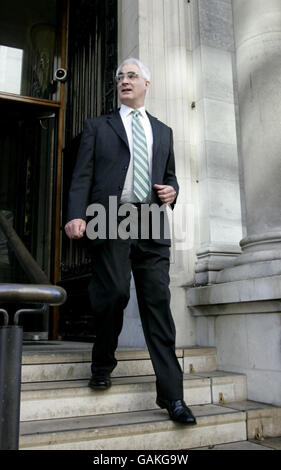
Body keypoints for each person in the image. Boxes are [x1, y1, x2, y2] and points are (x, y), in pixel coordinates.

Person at [65, 58, 196, 425]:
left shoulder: (164, 131)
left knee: (158, 303)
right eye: (120, 76)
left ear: (147, 84)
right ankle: (102, 362)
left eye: (132, 75)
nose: (124, 80)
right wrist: (75, 215)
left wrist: (174, 191)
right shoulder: (98, 127)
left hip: (151, 220)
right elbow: (82, 175)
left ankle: (173, 397)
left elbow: (169, 176)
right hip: (111, 216)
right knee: (116, 293)